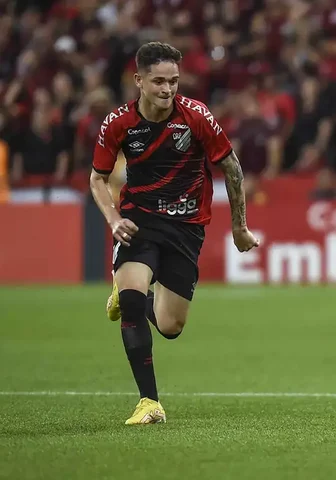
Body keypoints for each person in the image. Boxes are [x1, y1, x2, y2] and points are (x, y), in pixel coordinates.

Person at [89, 42, 259, 425]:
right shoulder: (118, 122)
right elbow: (97, 178)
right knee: (133, 302)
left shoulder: (196, 116)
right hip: (138, 222)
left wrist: (240, 227)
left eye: (173, 81)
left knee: (170, 326)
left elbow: (232, 168)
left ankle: (131, 294)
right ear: (139, 81)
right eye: (159, 81)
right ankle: (149, 402)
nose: (167, 89)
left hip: (185, 227)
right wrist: (113, 219)